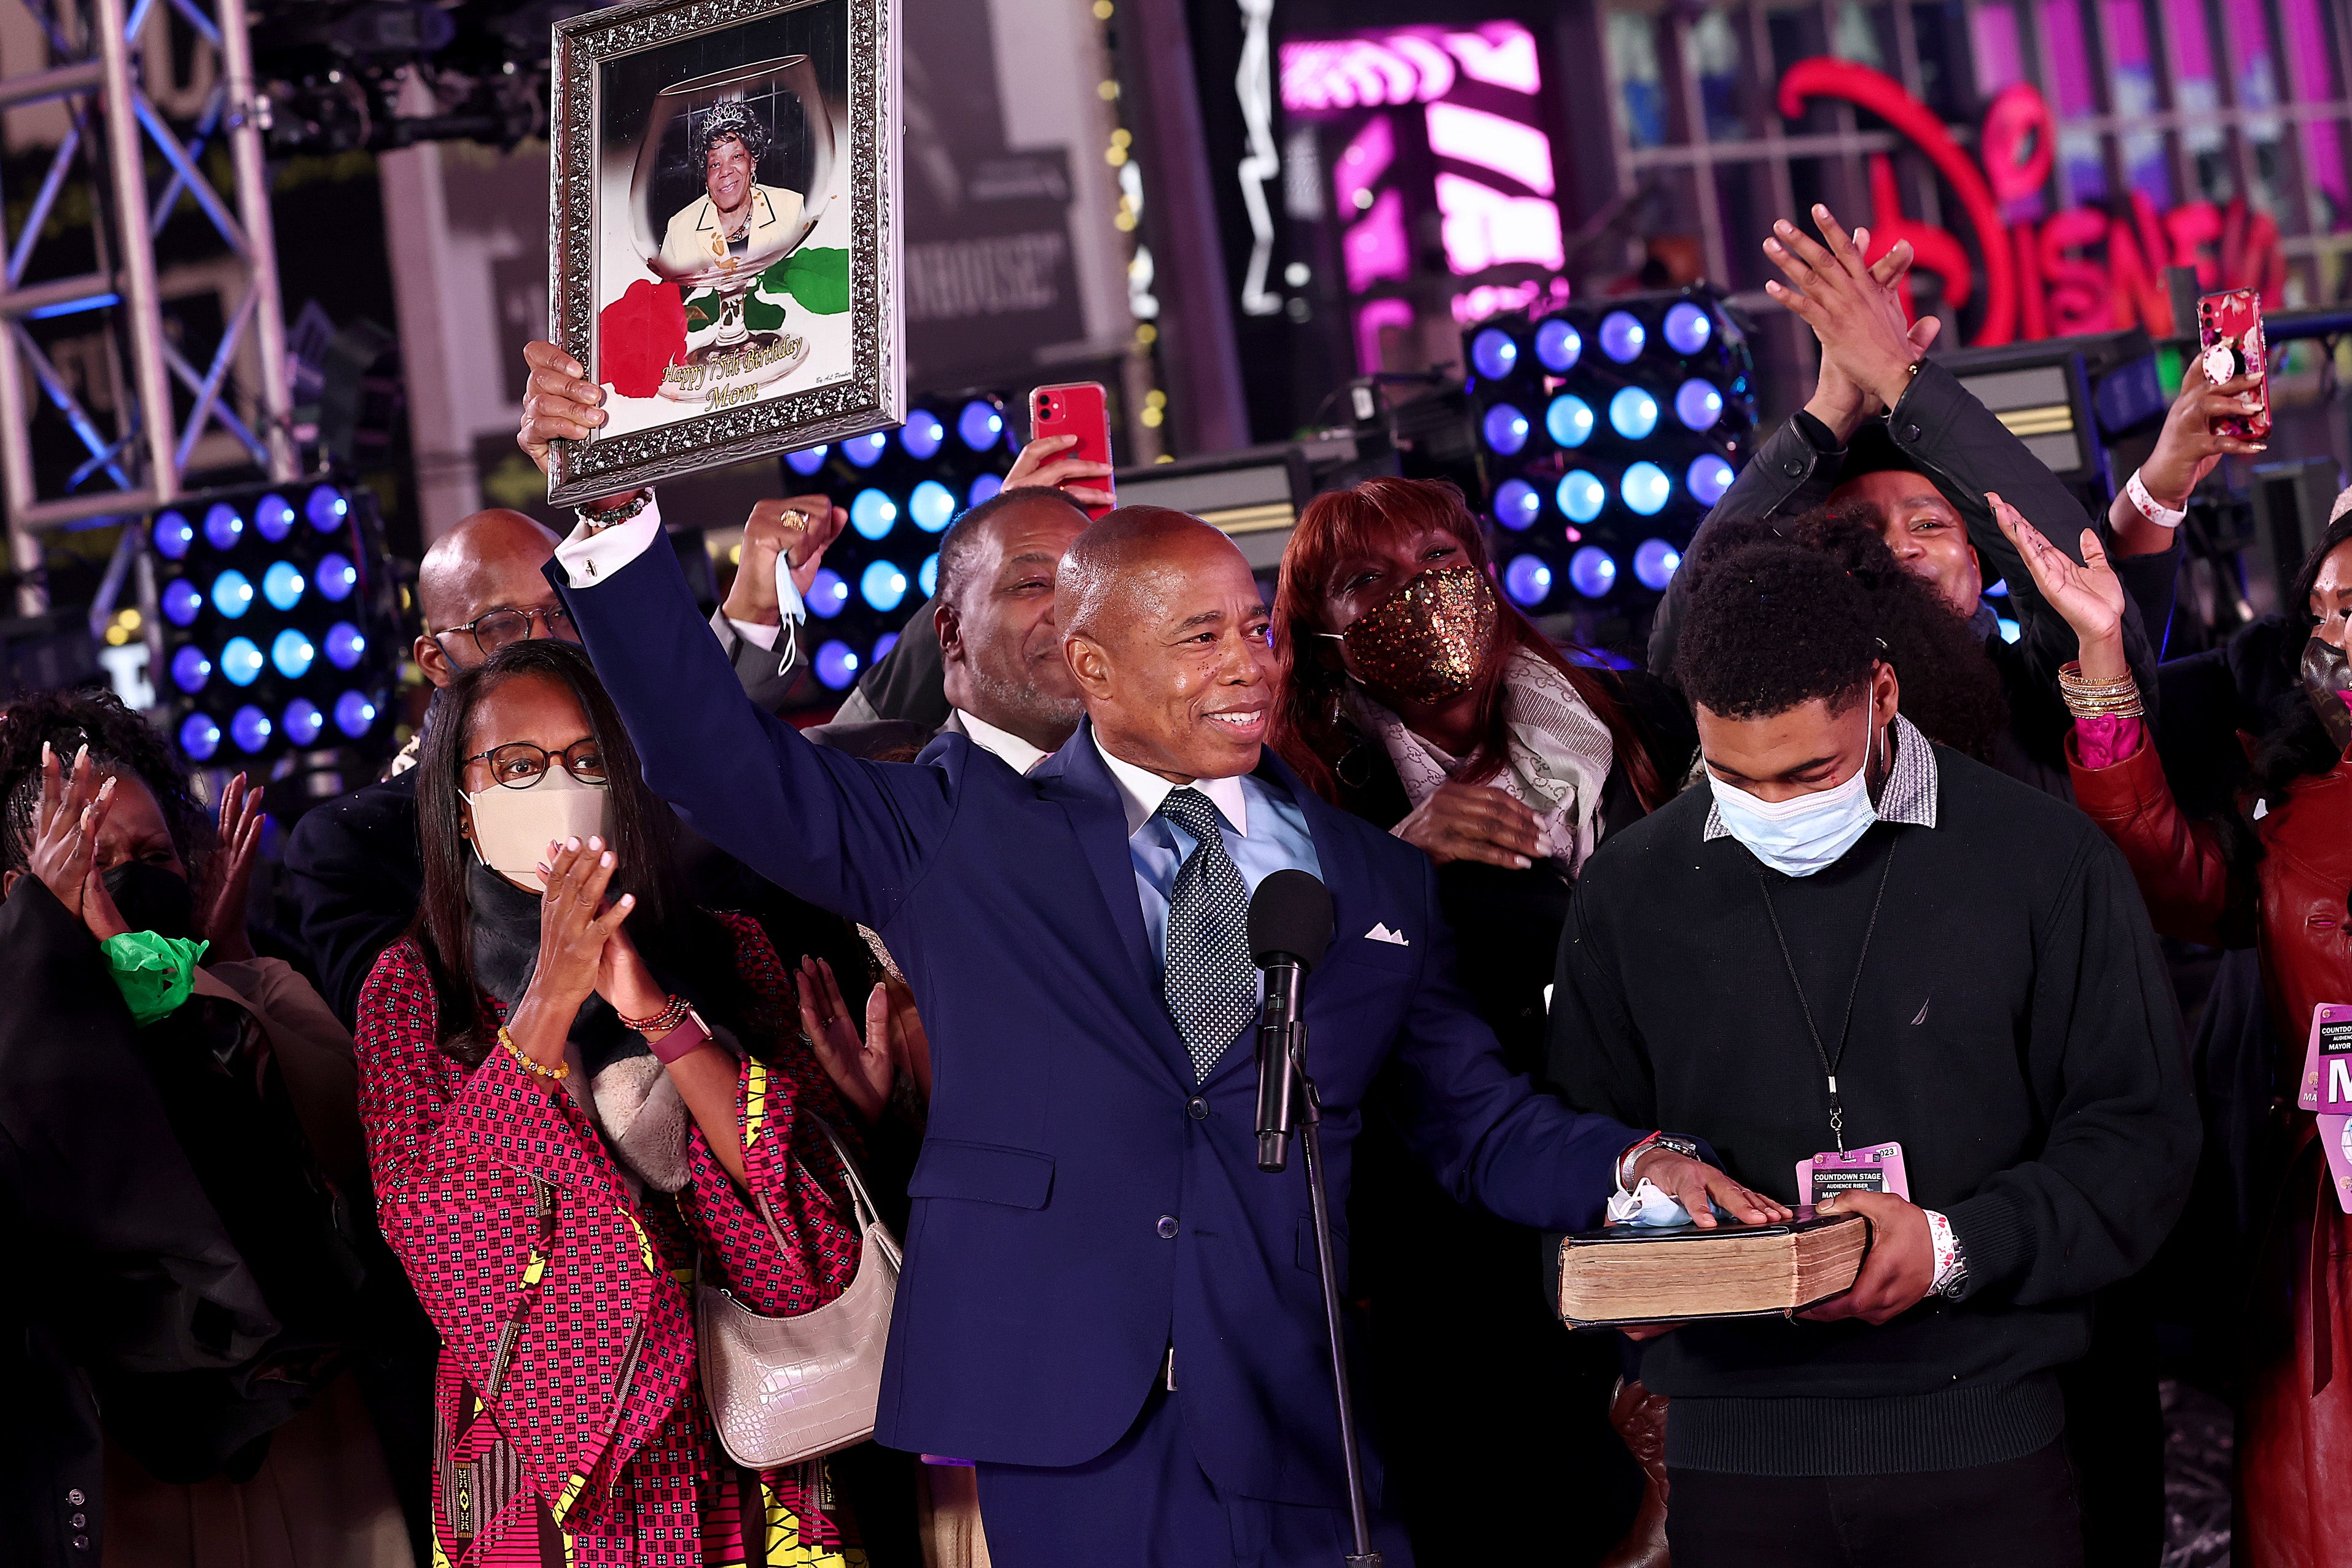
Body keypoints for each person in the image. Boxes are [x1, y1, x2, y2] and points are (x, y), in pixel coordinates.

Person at [527, 434, 1780, 1562]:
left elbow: (1474, 1120)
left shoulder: (1369, 874)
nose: (1245, 664)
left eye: (1255, 629)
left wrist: (1637, 1168)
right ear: (1093, 666)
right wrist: (622, 516)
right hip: (1074, 1422)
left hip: (1307, 1416)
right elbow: (711, 761)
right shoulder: (955, 831)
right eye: (1199, 636)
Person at [1548, 532, 2200, 1568]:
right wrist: (1634, 1246)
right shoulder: (1627, 893)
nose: (1772, 807)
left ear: (1882, 691)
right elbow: (1575, 1143)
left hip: (1981, 1436)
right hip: (1727, 1461)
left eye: (1807, 769)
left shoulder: (2044, 860)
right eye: (1731, 777)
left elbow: (2136, 1142)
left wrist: (1951, 1245)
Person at [354, 638, 896, 1564]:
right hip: (542, 1443)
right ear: (461, 803)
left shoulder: (729, 948)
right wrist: (553, 990)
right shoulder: (412, 989)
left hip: (747, 1406)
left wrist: (654, 1009)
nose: (556, 787)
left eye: (587, 761)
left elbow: (798, 1187)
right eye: (517, 767)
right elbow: (439, 1224)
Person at [1268, 474, 1688, 1566]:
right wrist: (1393, 857)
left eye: (1439, 563)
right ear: (1319, 633)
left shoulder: (1632, 716)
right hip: (1459, 1244)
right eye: (1367, 581)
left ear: (1485, 571)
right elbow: (1284, 1010)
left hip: (1660, 1168)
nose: (1418, 594)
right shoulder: (1304, 798)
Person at [1995, 487, 2352, 1568]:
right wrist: (2100, 653)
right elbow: (2159, 866)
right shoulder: (2296, 806)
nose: (2331, 636)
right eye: (2325, 611)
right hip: (2331, 1236)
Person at [0, 692, 410, 1567]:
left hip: (315, 1447)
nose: (130, 878)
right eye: (92, 858)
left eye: (154, 855)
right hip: (127, 1472)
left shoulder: (242, 988)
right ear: (19, 889)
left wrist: (224, 970)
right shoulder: (16, 1048)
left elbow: (347, 1138)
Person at [1651, 205, 2181, 798]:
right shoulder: (1775, 717)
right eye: (1859, 531)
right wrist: (1825, 418)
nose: (1898, 546)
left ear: (1980, 566)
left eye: (1928, 524)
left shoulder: (2041, 698)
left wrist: (1901, 380)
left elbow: (2068, 579)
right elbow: (1682, 644)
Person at [284, 503, 859, 1024]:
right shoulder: (352, 844)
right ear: (434, 660)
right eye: (500, 625)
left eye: (561, 614)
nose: (545, 642)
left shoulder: (654, 773)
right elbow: (398, 1048)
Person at [805, 483, 1091, 769]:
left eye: (1090, 587)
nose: (1072, 610)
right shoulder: (852, 770)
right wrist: (759, 618)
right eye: (1033, 584)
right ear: (952, 632)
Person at [657, 101, 805, 280]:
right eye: (715, 164)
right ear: (706, 175)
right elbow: (668, 302)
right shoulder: (680, 229)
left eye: (736, 157)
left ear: (752, 163)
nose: (725, 171)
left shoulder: (791, 208)